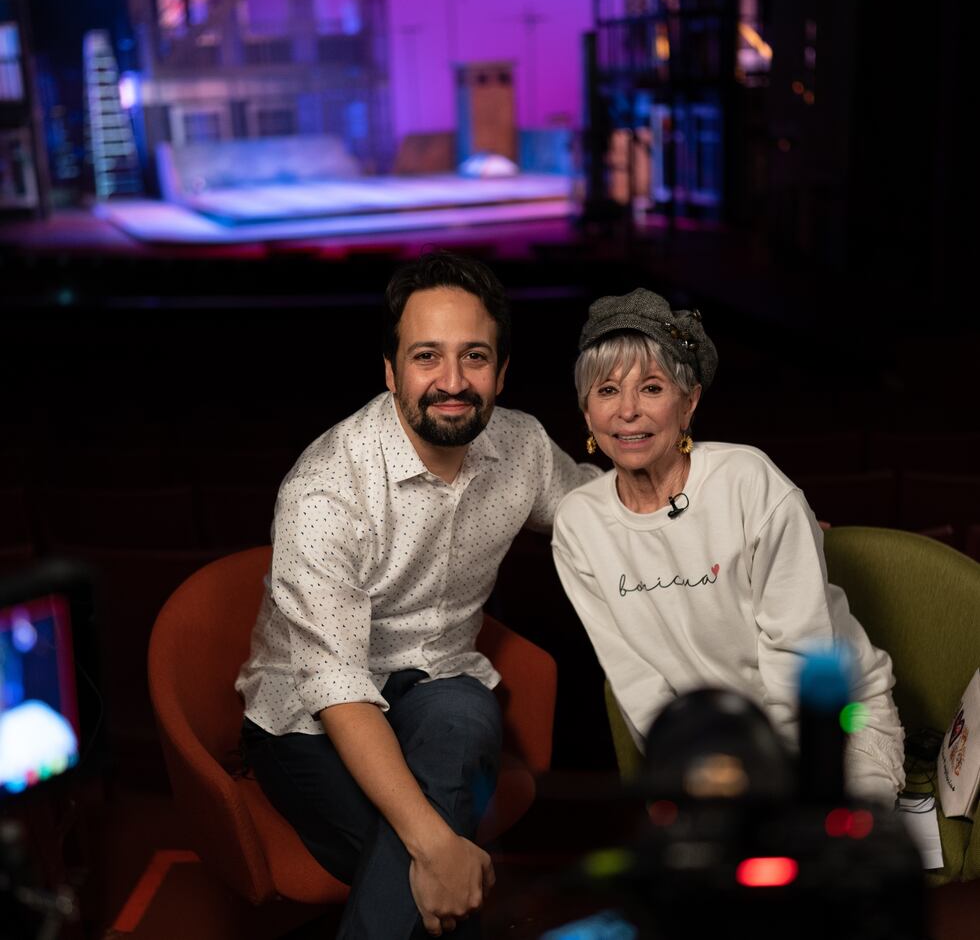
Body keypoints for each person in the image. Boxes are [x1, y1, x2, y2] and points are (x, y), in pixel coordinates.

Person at [235, 250, 599, 939]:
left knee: (461, 715)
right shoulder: (326, 491)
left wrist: (738, 514)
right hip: (307, 719)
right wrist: (436, 846)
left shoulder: (519, 448)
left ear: (503, 371)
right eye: (427, 356)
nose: (453, 381)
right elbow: (338, 690)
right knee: (421, 858)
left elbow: (605, 508)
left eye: (475, 357)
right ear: (390, 371)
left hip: (437, 689)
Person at [551, 288, 905, 804]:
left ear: (689, 402)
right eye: (607, 391)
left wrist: (776, 776)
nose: (627, 411)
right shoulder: (579, 525)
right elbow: (636, 681)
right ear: (587, 412)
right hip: (711, 749)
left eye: (651, 388)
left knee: (828, 861)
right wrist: (702, 766)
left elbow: (799, 651)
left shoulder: (749, 481)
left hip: (835, 724)